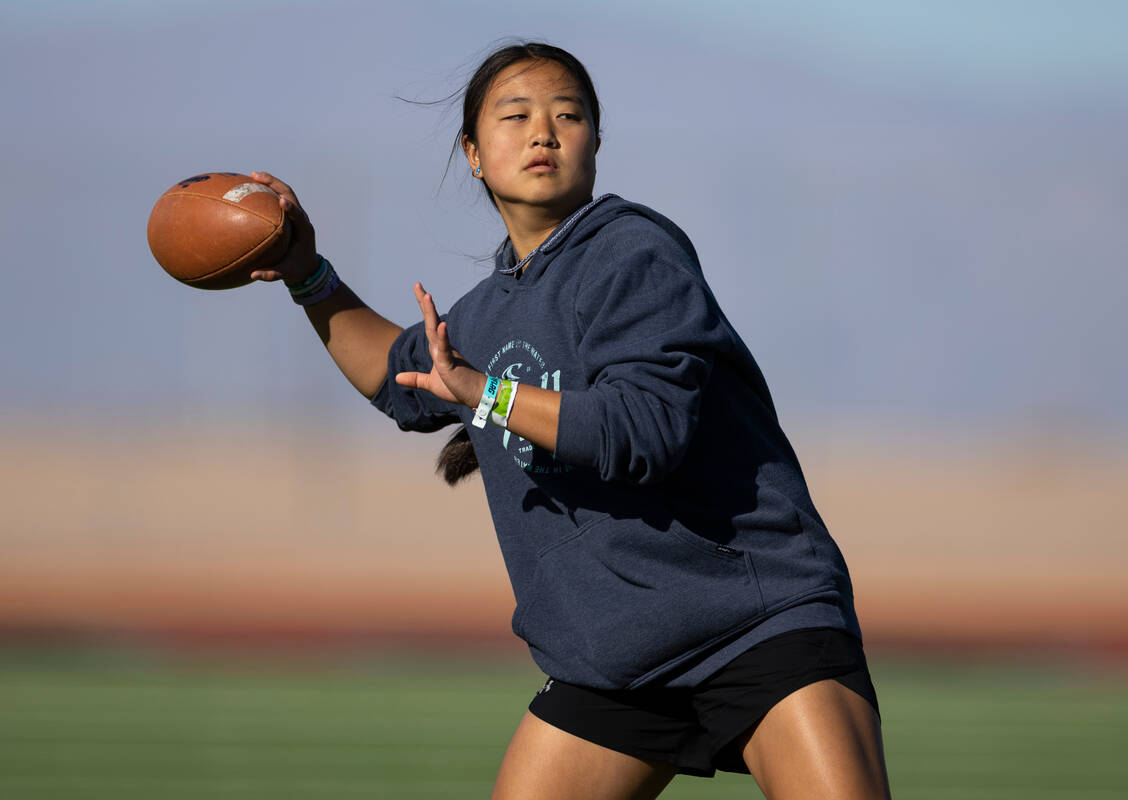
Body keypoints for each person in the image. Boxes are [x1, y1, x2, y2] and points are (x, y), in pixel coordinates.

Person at [248, 41, 891, 800]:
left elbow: (643, 431)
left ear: (595, 140)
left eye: (568, 115)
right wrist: (306, 274)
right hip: (613, 661)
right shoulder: (489, 313)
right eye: (514, 116)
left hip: (756, 623)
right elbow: (395, 373)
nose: (543, 132)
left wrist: (485, 392)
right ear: (473, 152)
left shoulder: (633, 253)